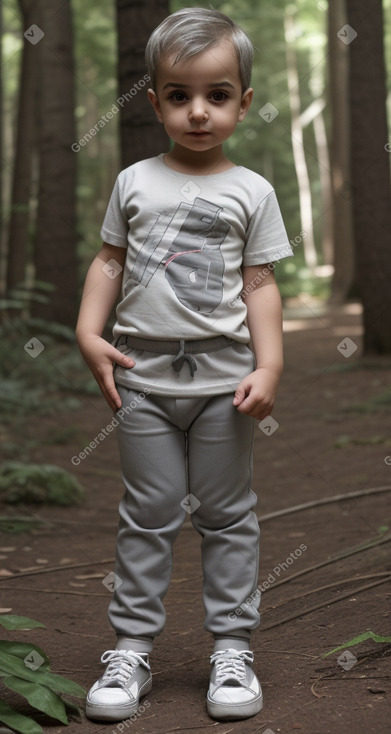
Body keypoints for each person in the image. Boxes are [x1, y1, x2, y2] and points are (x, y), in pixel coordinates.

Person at [76, 6, 293, 723]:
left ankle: (231, 649)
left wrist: (268, 365)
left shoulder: (251, 191)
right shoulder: (134, 181)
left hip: (222, 384)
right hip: (142, 380)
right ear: (155, 101)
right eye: (179, 95)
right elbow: (109, 260)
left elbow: (259, 283)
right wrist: (86, 329)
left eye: (217, 94)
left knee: (228, 515)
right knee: (148, 511)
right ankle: (131, 647)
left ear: (243, 101)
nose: (198, 112)